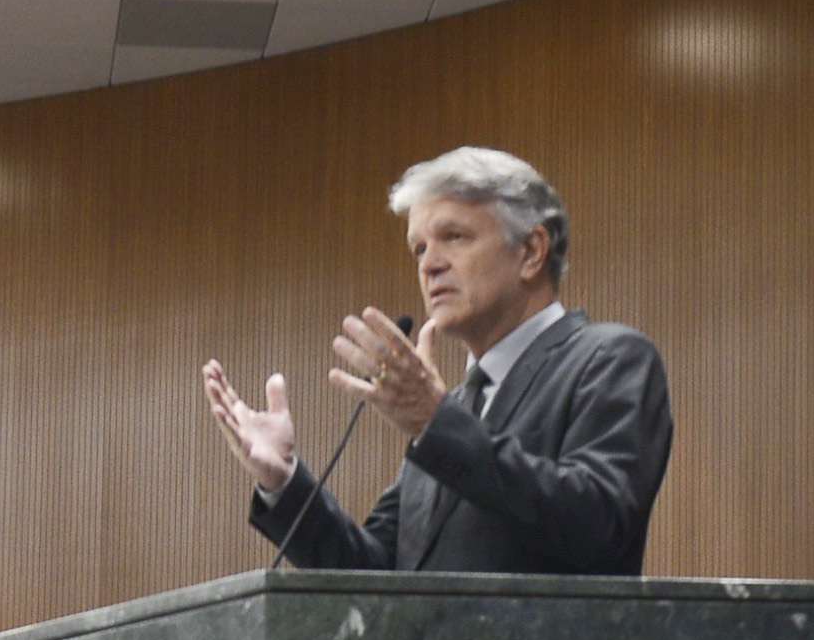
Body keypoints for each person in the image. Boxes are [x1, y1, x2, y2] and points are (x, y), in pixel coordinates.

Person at [201, 147, 672, 575]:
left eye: (454, 237)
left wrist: (435, 422)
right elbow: (374, 574)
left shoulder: (609, 358)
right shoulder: (451, 409)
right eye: (420, 248)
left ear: (530, 251)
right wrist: (283, 483)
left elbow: (598, 524)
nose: (429, 265)